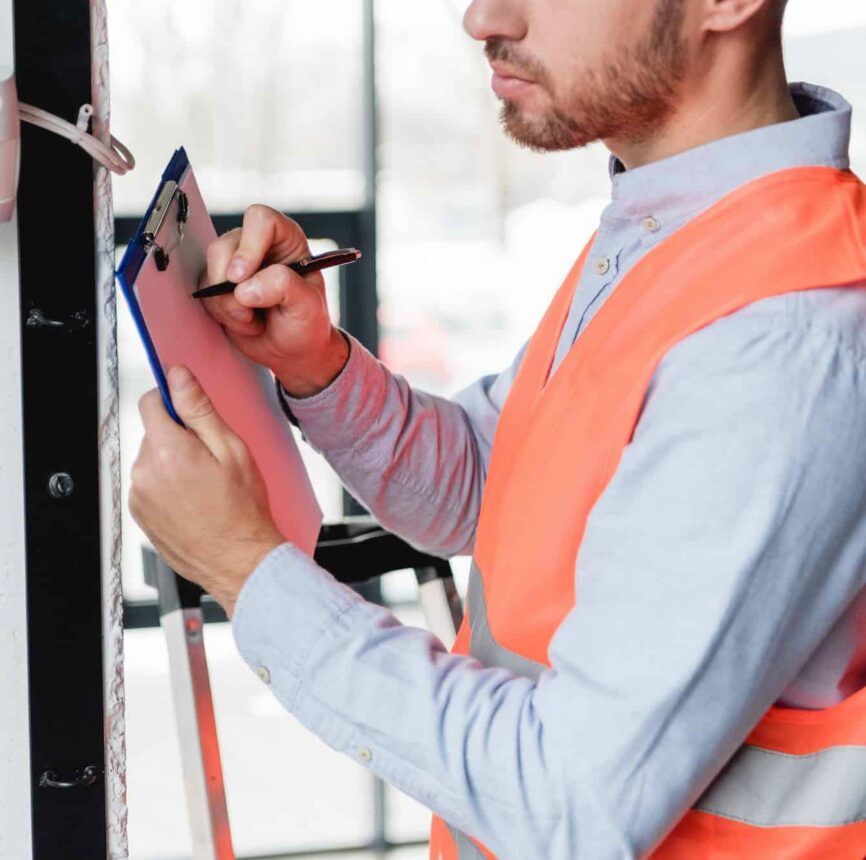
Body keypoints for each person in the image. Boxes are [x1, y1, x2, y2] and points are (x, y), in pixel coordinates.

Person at [130, 0, 866, 856]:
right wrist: (318, 367)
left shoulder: (780, 338)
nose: (482, 17)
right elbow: (492, 485)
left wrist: (244, 568)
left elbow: (563, 800)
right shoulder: (684, 229)